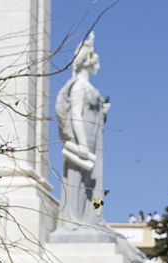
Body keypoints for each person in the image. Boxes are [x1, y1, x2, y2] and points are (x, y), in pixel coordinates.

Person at [55, 32, 109, 227]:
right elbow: (76, 114)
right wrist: (83, 144)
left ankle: (95, 215)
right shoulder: (78, 87)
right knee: (77, 180)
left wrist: (102, 112)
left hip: (95, 140)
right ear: (87, 61)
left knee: (96, 183)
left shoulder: (89, 87)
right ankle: (75, 218)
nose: (99, 66)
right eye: (96, 61)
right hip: (83, 141)